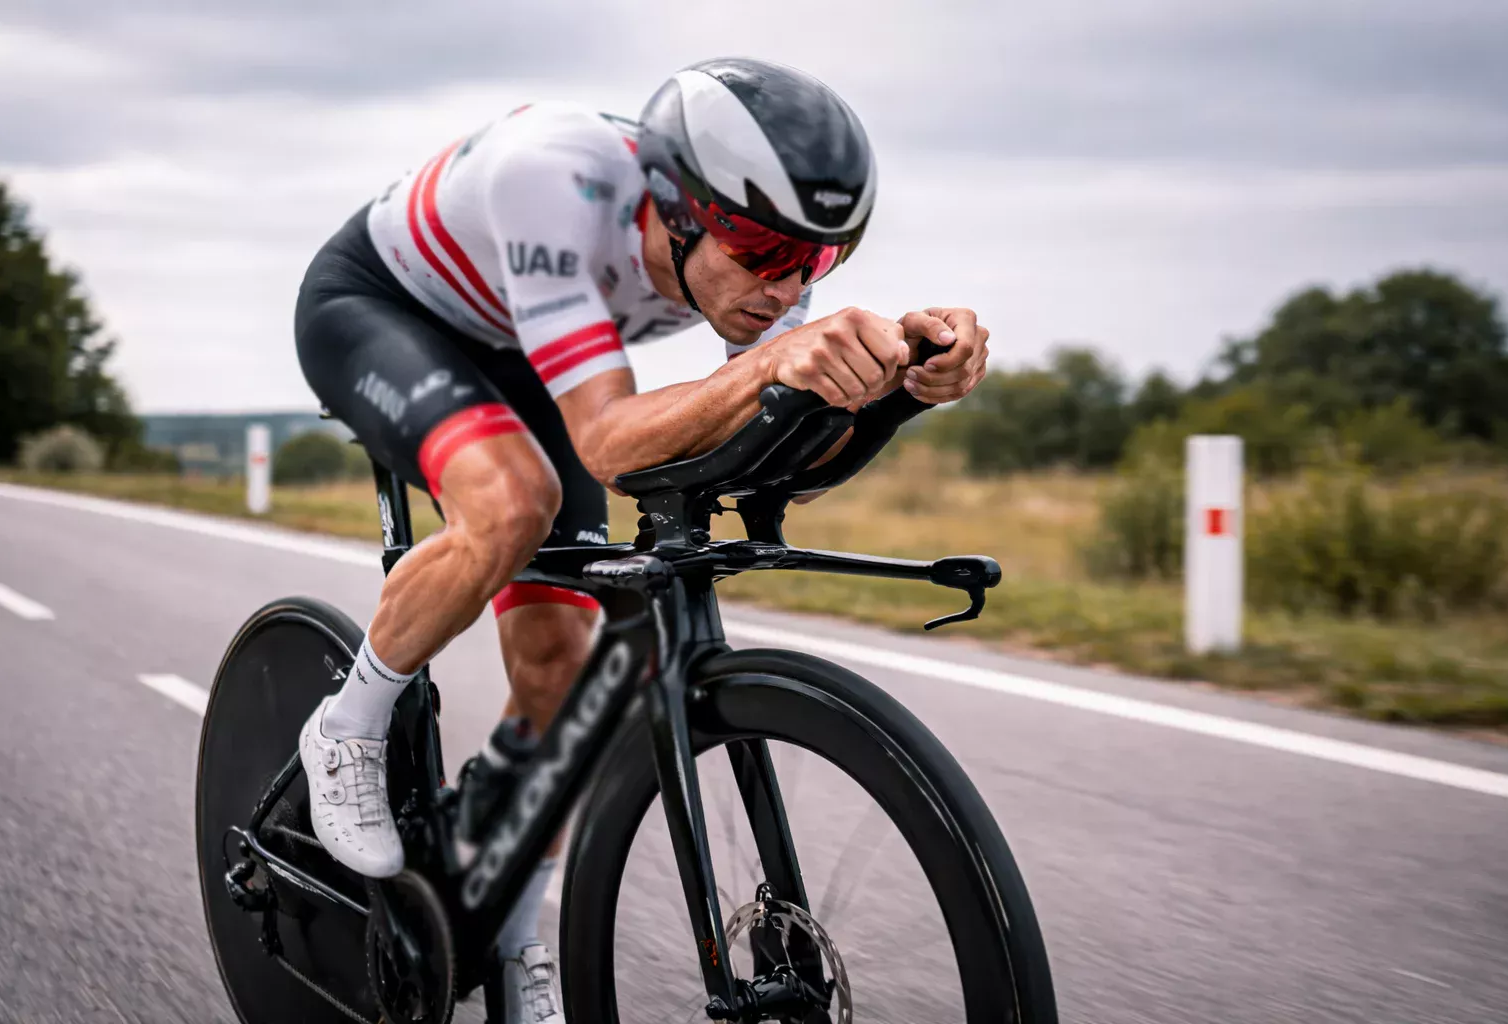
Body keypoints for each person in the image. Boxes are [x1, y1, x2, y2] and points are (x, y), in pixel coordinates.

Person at [291, 56, 989, 1022]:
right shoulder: (555, 177)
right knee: (511, 505)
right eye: (762, 252)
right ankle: (348, 723)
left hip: (538, 348)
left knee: (558, 664)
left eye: (817, 262)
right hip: (384, 311)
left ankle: (507, 928)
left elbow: (776, 454)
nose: (784, 285)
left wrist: (898, 393)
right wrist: (767, 368)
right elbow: (611, 443)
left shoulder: (763, 266)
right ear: (679, 207)